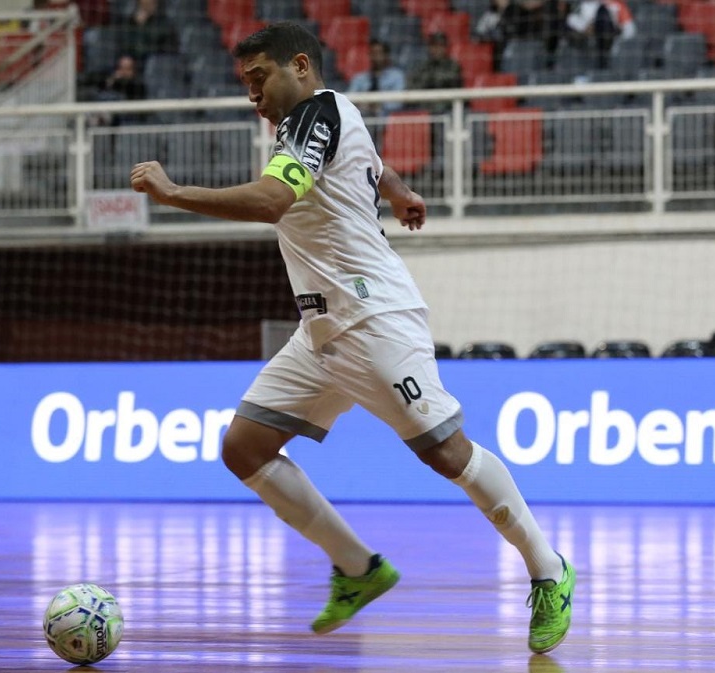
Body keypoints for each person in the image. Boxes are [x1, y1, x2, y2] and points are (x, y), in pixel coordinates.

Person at [129, 21, 575, 654]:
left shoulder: (314, 116)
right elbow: (366, 161)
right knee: (244, 448)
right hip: (321, 330)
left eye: (260, 79)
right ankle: (358, 567)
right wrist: (395, 190)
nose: (252, 95)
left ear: (300, 66)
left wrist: (174, 194)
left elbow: (269, 202)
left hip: (374, 320)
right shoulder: (330, 117)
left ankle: (548, 567)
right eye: (245, 85)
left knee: (447, 453)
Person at [566, 0, 636, 68]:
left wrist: (617, 31)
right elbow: (571, 20)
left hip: (613, 50)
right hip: (586, 48)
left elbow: (630, 30)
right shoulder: (582, 4)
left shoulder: (617, 4)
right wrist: (585, 28)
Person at [346, 40, 406, 118]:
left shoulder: (396, 76)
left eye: (379, 53)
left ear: (386, 55)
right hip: (362, 118)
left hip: (386, 119)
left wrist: (380, 105)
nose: (375, 57)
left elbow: (398, 103)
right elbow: (349, 100)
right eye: (373, 53)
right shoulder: (359, 78)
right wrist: (364, 105)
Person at [407, 33, 463, 115]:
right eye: (434, 46)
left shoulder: (453, 66)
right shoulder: (422, 66)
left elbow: (450, 81)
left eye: (440, 46)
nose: (437, 49)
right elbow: (413, 86)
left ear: (445, 48)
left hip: (447, 107)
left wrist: (430, 79)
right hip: (426, 106)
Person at [115, 0, 177, 67]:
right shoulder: (127, 23)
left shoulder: (165, 25)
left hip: (154, 68)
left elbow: (168, 54)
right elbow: (122, 47)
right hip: (129, 68)